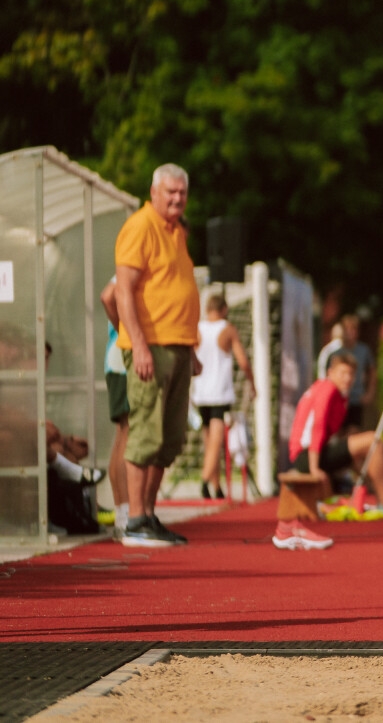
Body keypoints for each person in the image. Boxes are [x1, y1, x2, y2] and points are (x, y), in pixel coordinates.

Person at [114, 163, 202, 547]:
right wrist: (140, 344)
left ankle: (149, 515)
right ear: (153, 192)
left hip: (179, 345)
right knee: (145, 433)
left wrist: (192, 346)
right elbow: (122, 291)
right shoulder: (140, 226)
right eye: (170, 192)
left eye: (182, 193)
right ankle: (133, 520)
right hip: (151, 346)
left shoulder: (178, 232)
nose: (177, 199)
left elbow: (176, 289)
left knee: (168, 438)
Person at [288, 350, 383, 518]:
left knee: (363, 450)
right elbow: (317, 427)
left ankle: (380, 497)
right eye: (343, 373)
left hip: (311, 453)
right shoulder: (328, 389)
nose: (347, 378)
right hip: (305, 456)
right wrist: (314, 468)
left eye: (351, 374)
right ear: (330, 373)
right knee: (373, 441)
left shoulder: (335, 393)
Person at [193, 293, 251, 500]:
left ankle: (216, 487)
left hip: (201, 392)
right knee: (216, 442)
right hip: (219, 392)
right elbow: (242, 360)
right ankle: (205, 479)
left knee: (209, 442)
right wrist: (252, 382)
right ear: (224, 309)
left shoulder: (198, 329)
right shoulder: (227, 329)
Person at [100, 278, 131, 537]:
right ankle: (125, 513)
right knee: (128, 434)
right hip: (123, 361)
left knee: (123, 434)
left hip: (117, 361)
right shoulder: (127, 267)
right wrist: (126, 332)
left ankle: (123, 513)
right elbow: (107, 296)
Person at [336, 314, 377, 430]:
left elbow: (372, 371)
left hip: (356, 398)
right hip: (339, 400)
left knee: (354, 432)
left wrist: (370, 393)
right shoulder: (336, 352)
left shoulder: (363, 350)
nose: (349, 333)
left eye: (352, 329)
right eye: (347, 329)